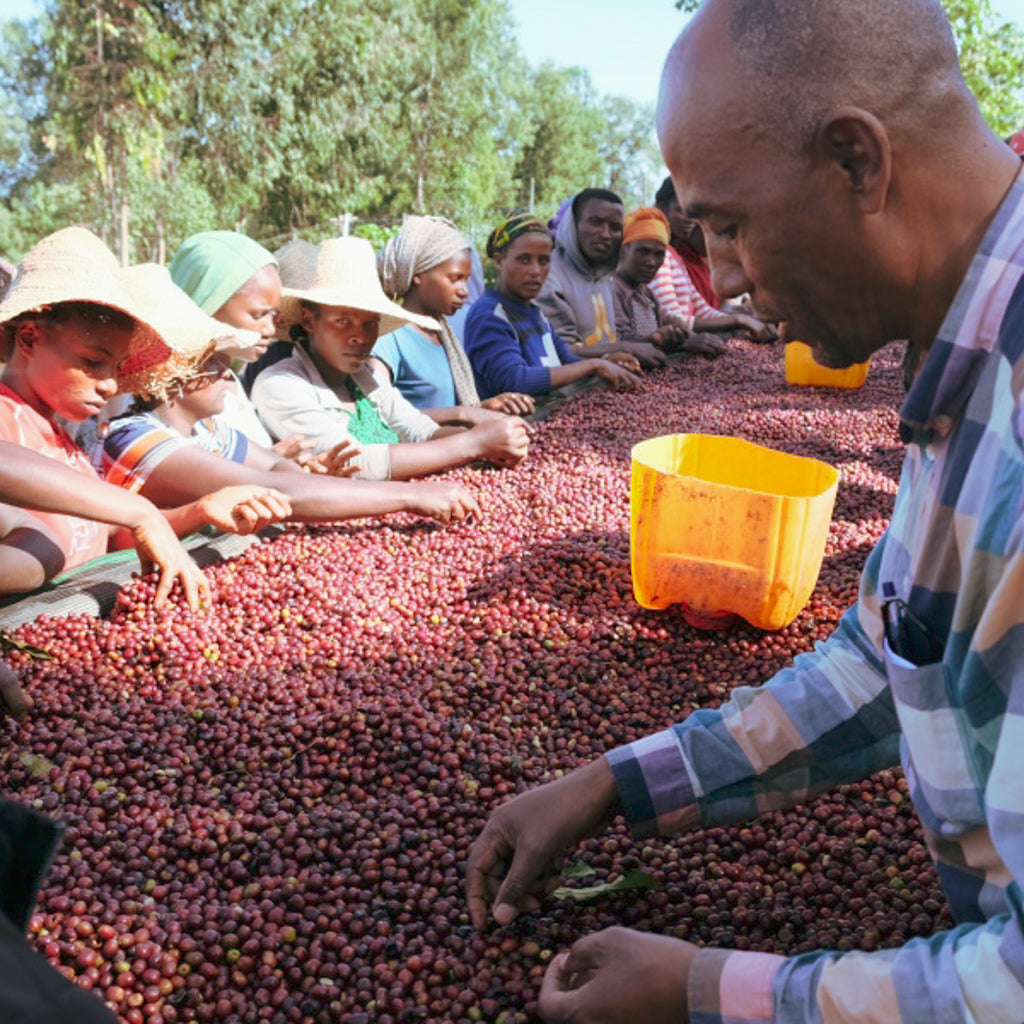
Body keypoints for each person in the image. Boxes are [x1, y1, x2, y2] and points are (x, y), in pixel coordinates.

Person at [466, 1, 1024, 1022]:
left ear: (857, 161)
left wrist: (707, 990)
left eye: (727, 225)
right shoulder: (967, 366)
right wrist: (618, 782)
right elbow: (886, 654)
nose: (719, 280)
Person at [0, 228, 290, 603]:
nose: (109, 386)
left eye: (116, 367)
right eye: (92, 362)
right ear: (28, 339)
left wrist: (200, 509)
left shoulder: (63, 441)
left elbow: (112, 537)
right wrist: (141, 512)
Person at [94, 262, 480, 525]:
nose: (227, 374)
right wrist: (410, 498)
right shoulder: (136, 439)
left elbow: (279, 470)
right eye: (211, 360)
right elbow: (276, 488)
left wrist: (310, 474)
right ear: (168, 378)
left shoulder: (207, 431)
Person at [252, 236, 530, 481]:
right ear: (310, 321)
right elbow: (355, 462)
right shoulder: (280, 384)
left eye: (370, 323)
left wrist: (494, 439)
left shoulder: (364, 378)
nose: (359, 336)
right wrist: (473, 444)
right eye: (343, 321)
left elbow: (420, 431)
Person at [169, 230, 319, 469]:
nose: (270, 329)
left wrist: (281, 464)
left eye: (273, 314)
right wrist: (269, 465)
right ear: (207, 304)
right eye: (258, 314)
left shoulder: (228, 381)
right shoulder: (161, 390)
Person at [463, 212, 643, 400]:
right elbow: (514, 380)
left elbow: (566, 361)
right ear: (500, 261)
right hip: (511, 424)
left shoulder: (535, 312)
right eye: (524, 260)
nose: (535, 271)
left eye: (544, 261)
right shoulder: (489, 315)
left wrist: (606, 360)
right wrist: (594, 365)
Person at [375, 214, 534, 418]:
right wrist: (463, 414)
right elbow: (379, 416)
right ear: (418, 275)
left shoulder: (442, 335)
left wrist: (486, 406)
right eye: (455, 279)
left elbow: (446, 408)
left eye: (466, 280)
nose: (464, 291)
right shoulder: (389, 339)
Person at [537, 188, 665, 367]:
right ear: (574, 224)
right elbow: (561, 352)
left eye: (615, 227)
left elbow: (608, 338)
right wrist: (626, 348)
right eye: (596, 222)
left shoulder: (605, 278)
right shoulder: (549, 279)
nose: (605, 234)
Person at [651, 175, 774, 340]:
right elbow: (674, 320)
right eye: (679, 210)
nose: (689, 220)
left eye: (691, 213)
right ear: (662, 207)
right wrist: (740, 319)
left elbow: (702, 310)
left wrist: (748, 320)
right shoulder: (660, 255)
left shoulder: (676, 257)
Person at [612, 207, 725, 358]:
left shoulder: (645, 292)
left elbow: (668, 318)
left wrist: (680, 330)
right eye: (643, 251)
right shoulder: (613, 289)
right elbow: (621, 340)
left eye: (659, 254)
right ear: (624, 250)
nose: (652, 262)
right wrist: (681, 344)